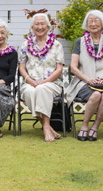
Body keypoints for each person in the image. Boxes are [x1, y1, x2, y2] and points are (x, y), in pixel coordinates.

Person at [67, 10, 103, 141]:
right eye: (90, 20)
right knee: (96, 94)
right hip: (84, 82)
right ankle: (84, 126)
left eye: (96, 20)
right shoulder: (80, 42)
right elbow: (73, 67)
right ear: (86, 24)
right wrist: (88, 79)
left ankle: (95, 127)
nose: (93, 23)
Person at [18, 13, 64, 142]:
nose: (40, 27)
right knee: (28, 91)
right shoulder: (25, 45)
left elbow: (59, 68)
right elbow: (21, 67)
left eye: (42, 24)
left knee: (42, 89)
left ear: (48, 27)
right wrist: (30, 80)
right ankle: (47, 126)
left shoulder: (56, 45)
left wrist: (44, 81)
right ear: (32, 27)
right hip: (30, 82)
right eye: (36, 24)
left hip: (52, 83)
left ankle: (45, 126)